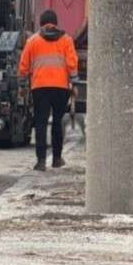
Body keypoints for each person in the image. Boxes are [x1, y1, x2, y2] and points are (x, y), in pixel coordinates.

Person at [18, 9, 79, 171]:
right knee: (57, 122)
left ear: (41, 23)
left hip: (40, 87)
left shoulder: (33, 41)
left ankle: (41, 161)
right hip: (61, 88)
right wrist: (74, 83)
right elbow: (72, 63)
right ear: (56, 22)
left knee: (41, 122)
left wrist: (22, 83)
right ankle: (57, 159)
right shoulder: (66, 40)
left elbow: (24, 64)